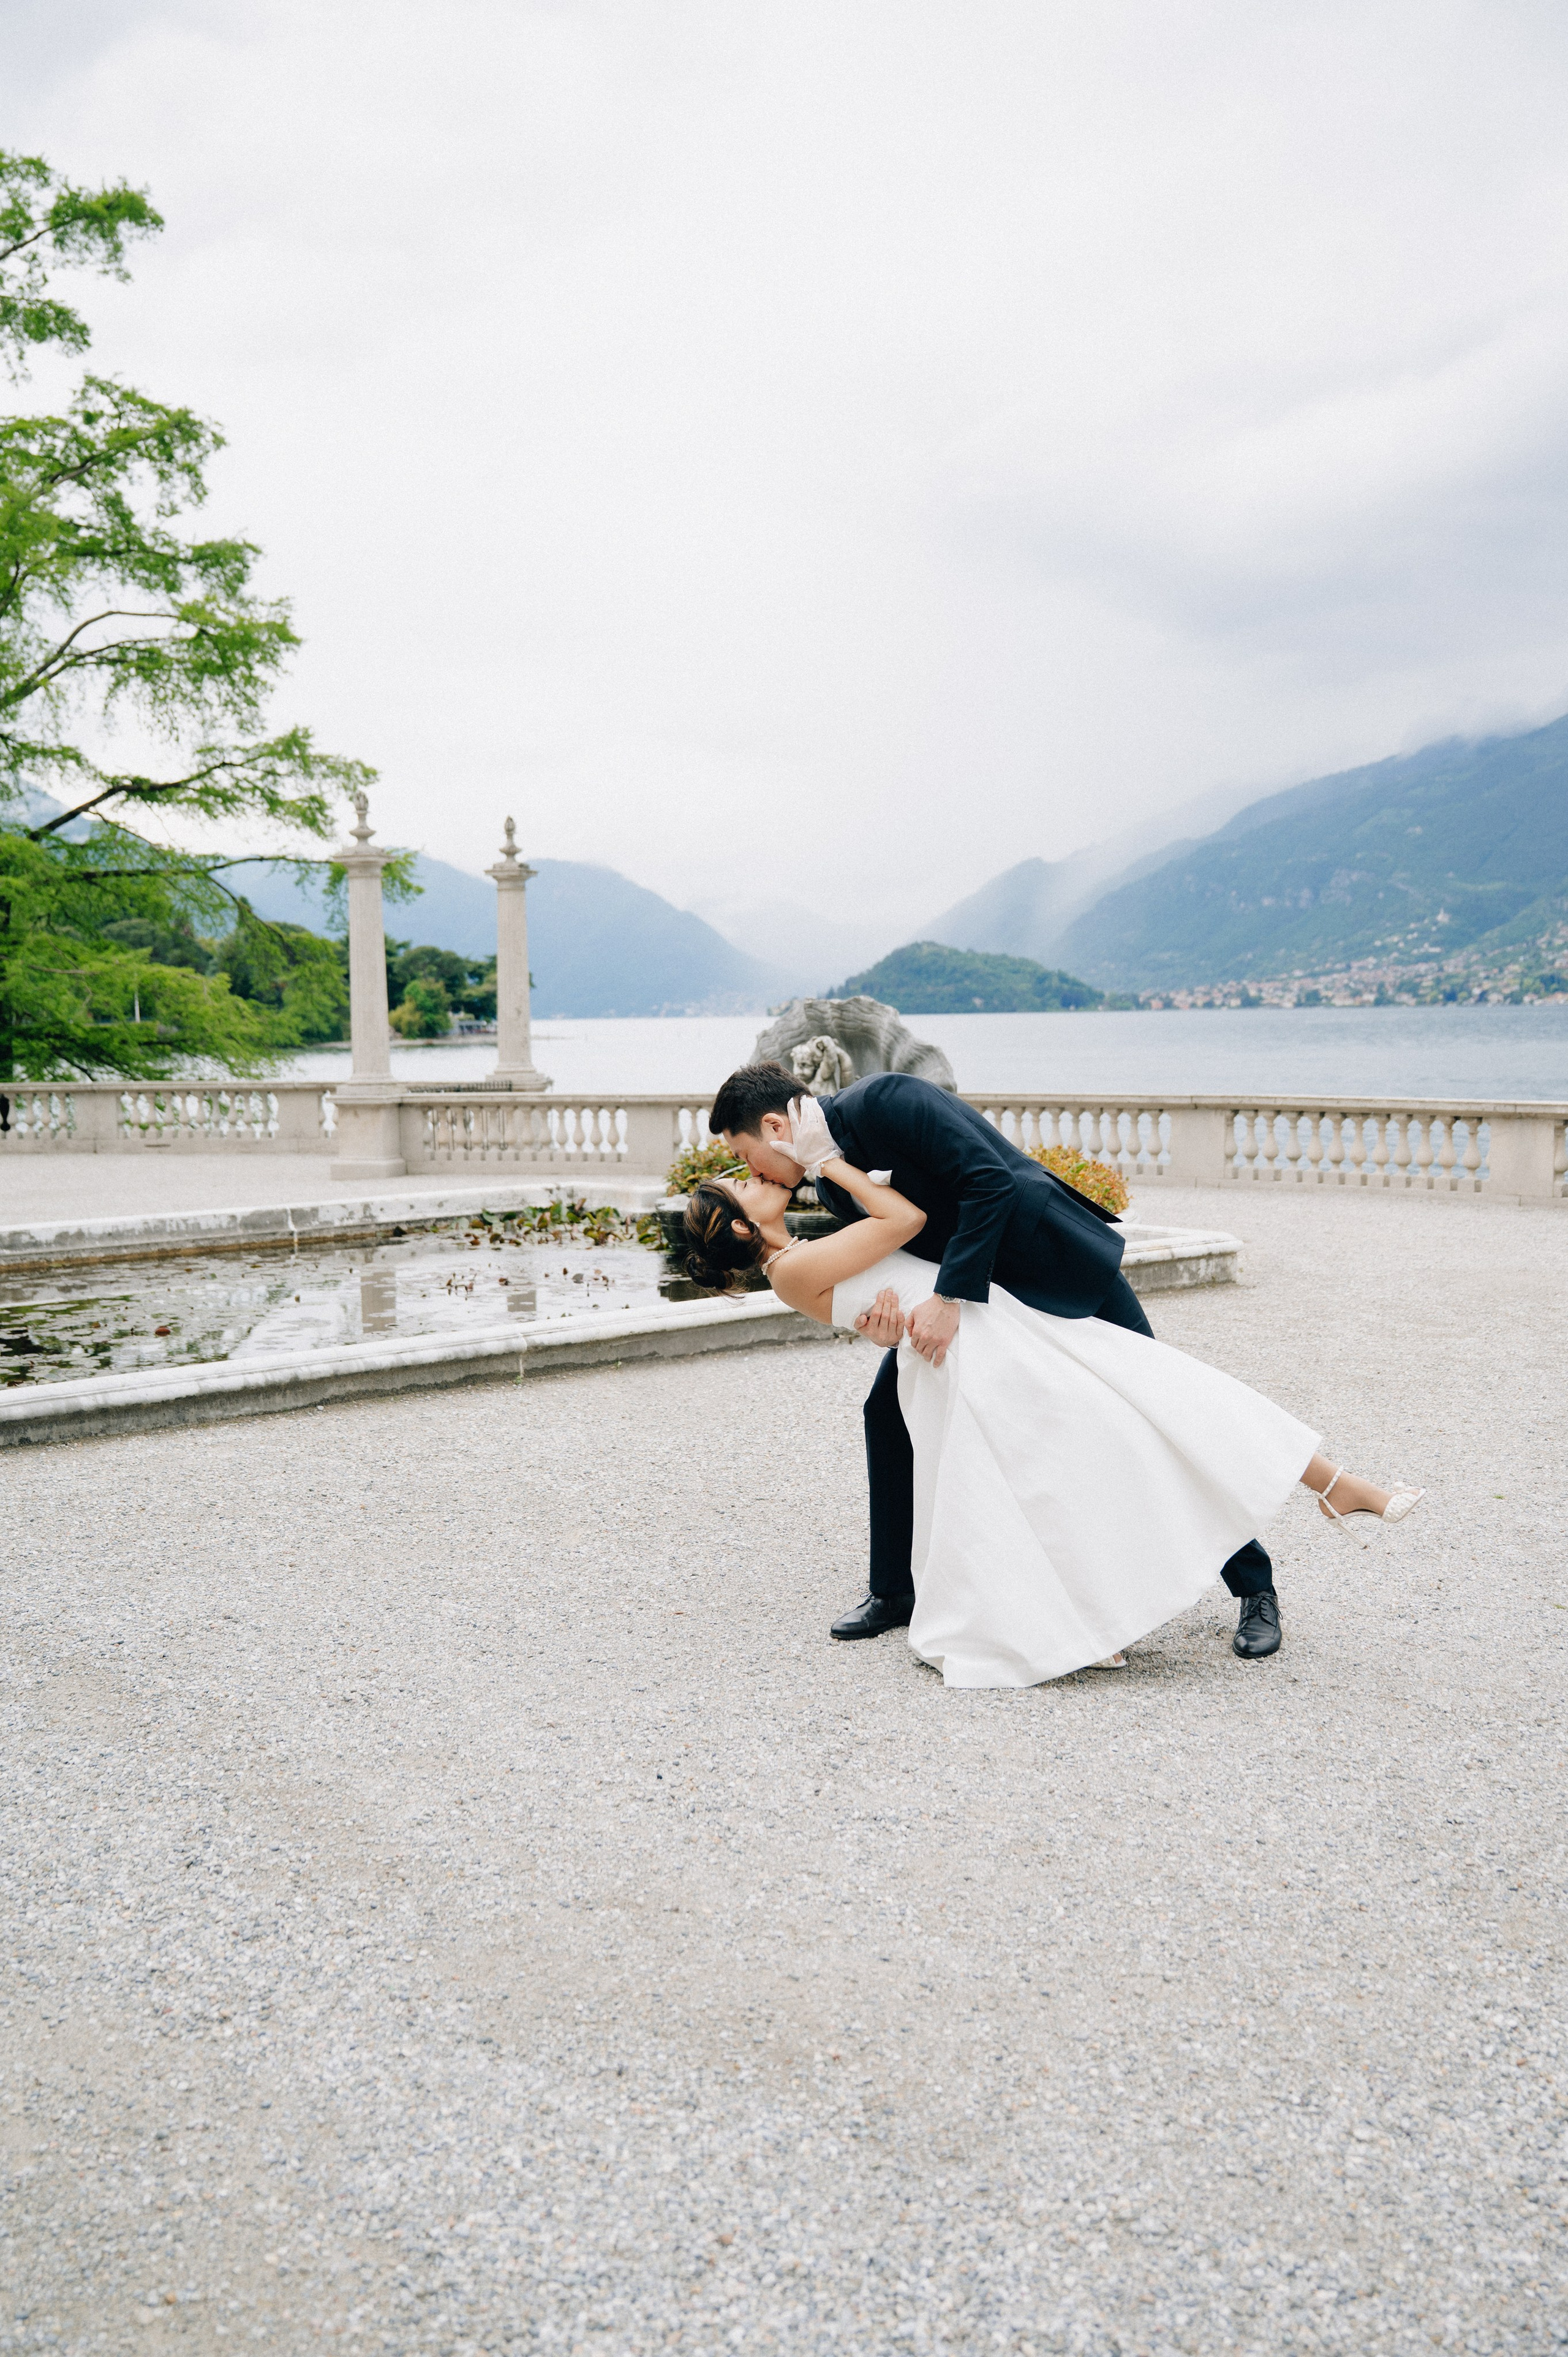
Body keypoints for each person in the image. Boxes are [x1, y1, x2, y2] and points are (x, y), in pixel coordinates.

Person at [701, 1062, 1421, 1669]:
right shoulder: (830, 1183)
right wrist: (886, 1325)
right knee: (884, 1414)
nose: (753, 1171)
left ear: (772, 1128)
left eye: (746, 1155)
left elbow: (989, 1179)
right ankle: (895, 1590)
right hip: (987, 1313)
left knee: (1156, 1407)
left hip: (1047, 1260)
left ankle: (1253, 1585)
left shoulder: (886, 1100)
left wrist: (951, 1296)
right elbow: (889, 1255)